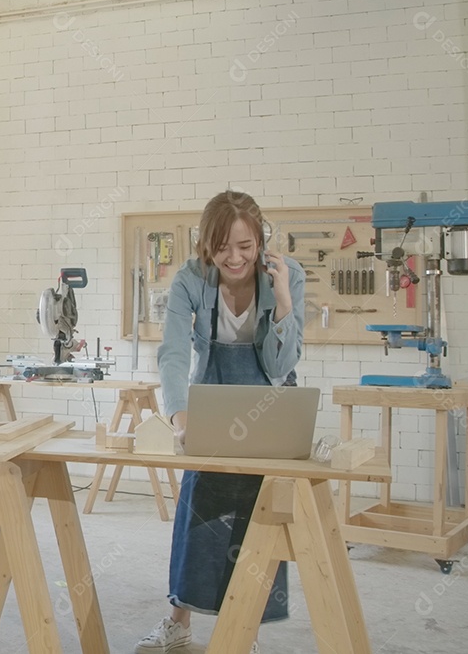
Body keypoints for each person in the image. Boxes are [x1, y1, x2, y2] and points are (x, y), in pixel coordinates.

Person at [135, 190, 305, 654]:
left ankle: (243, 632)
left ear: (261, 241)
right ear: (206, 246)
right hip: (209, 402)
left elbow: (282, 363)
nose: (234, 258)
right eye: (222, 247)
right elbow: (172, 352)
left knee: (258, 518)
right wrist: (180, 418)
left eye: (246, 247)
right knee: (198, 512)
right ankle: (178, 622)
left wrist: (285, 302)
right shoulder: (191, 279)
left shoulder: (287, 277)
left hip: (267, 404)